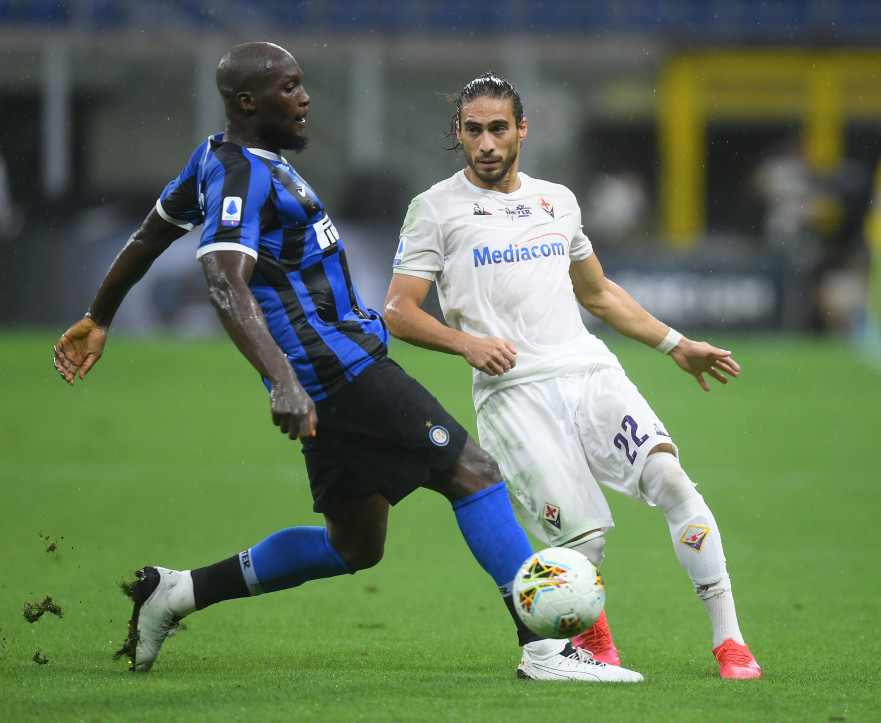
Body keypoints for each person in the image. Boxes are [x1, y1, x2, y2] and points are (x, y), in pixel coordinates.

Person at [52, 43, 642, 684]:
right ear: (248, 101)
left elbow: (150, 233)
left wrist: (99, 316)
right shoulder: (241, 175)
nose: (304, 98)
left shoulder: (222, 160)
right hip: (334, 370)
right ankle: (545, 650)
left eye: (302, 84)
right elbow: (224, 278)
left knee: (354, 544)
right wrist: (284, 380)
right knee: (473, 472)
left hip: (326, 374)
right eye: (289, 87)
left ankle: (176, 593)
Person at [383, 72, 761, 679]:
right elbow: (398, 310)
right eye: (473, 130)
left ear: (522, 130)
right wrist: (466, 344)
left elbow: (599, 292)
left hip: (588, 371)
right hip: (513, 394)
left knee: (670, 478)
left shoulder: (556, 200)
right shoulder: (435, 209)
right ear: (458, 132)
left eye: (498, 128)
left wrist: (676, 344)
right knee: (583, 544)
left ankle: (730, 641)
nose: (486, 143)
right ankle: (591, 642)